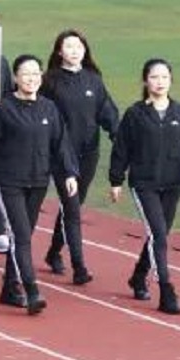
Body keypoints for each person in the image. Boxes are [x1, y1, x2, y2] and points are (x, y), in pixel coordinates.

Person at [0, 54, 77, 315]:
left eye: (36, 73)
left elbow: (60, 143)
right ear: (15, 77)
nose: (31, 78)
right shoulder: (3, 108)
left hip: (38, 181)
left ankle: (9, 287)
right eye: (26, 73)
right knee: (21, 235)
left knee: (24, 235)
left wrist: (69, 172)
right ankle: (31, 289)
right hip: (8, 181)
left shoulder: (49, 108)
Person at [108, 59, 180, 316]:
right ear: (145, 81)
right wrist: (116, 180)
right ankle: (166, 290)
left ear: (171, 80)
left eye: (164, 77)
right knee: (158, 233)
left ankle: (138, 276)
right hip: (144, 183)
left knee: (159, 234)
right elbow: (121, 149)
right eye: (154, 77)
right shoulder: (135, 115)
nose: (160, 82)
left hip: (173, 183)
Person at [41, 29, 119, 284]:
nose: (74, 51)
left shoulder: (93, 79)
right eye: (69, 46)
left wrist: (118, 137)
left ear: (85, 50)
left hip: (89, 154)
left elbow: (107, 111)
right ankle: (79, 267)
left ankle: (54, 252)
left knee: (72, 205)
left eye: (78, 46)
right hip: (62, 155)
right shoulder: (50, 81)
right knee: (72, 208)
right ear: (59, 51)